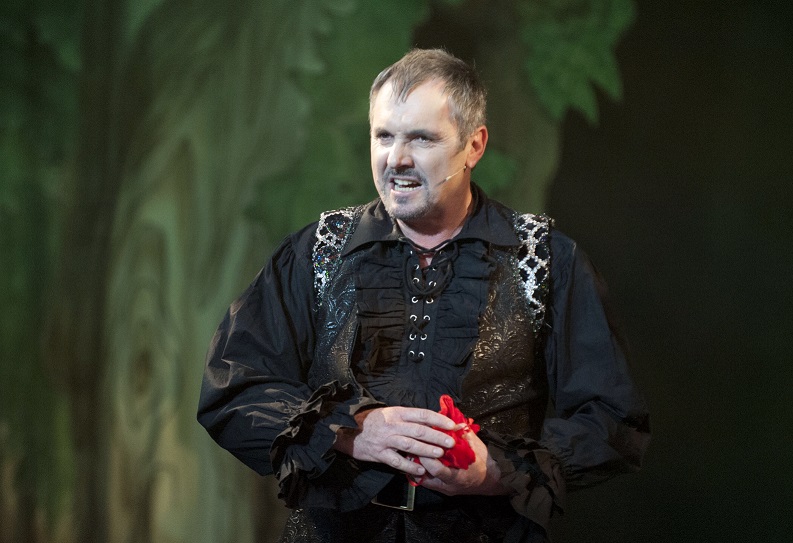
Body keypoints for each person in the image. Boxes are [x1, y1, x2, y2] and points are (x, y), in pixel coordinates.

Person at [197, 48, 650, 543]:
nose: (397, 159)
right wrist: (350, 430)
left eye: (421, 138)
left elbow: (612, 419)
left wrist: (498, 471)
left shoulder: (545, 260)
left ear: (474, 146)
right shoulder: (318, 250)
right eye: (384, 136)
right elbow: (234, 387)